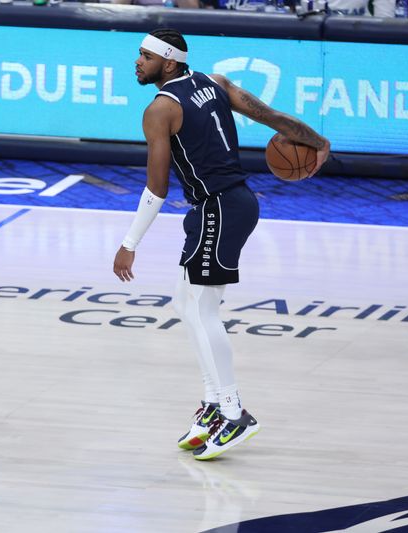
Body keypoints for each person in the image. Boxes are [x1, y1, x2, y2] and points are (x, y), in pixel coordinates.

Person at [112, 29, 330, 461]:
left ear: (169, 63)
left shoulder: (160, 110)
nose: (137, 62)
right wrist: (316, 141)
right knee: (185, 304)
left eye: (145, 56)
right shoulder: (216, 82)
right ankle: (214, 403)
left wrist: (129, 242)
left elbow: (156, 188)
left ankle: (234, 412)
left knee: (204, 310)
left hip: (219, 208)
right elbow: (272, 118)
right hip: (226, 206)